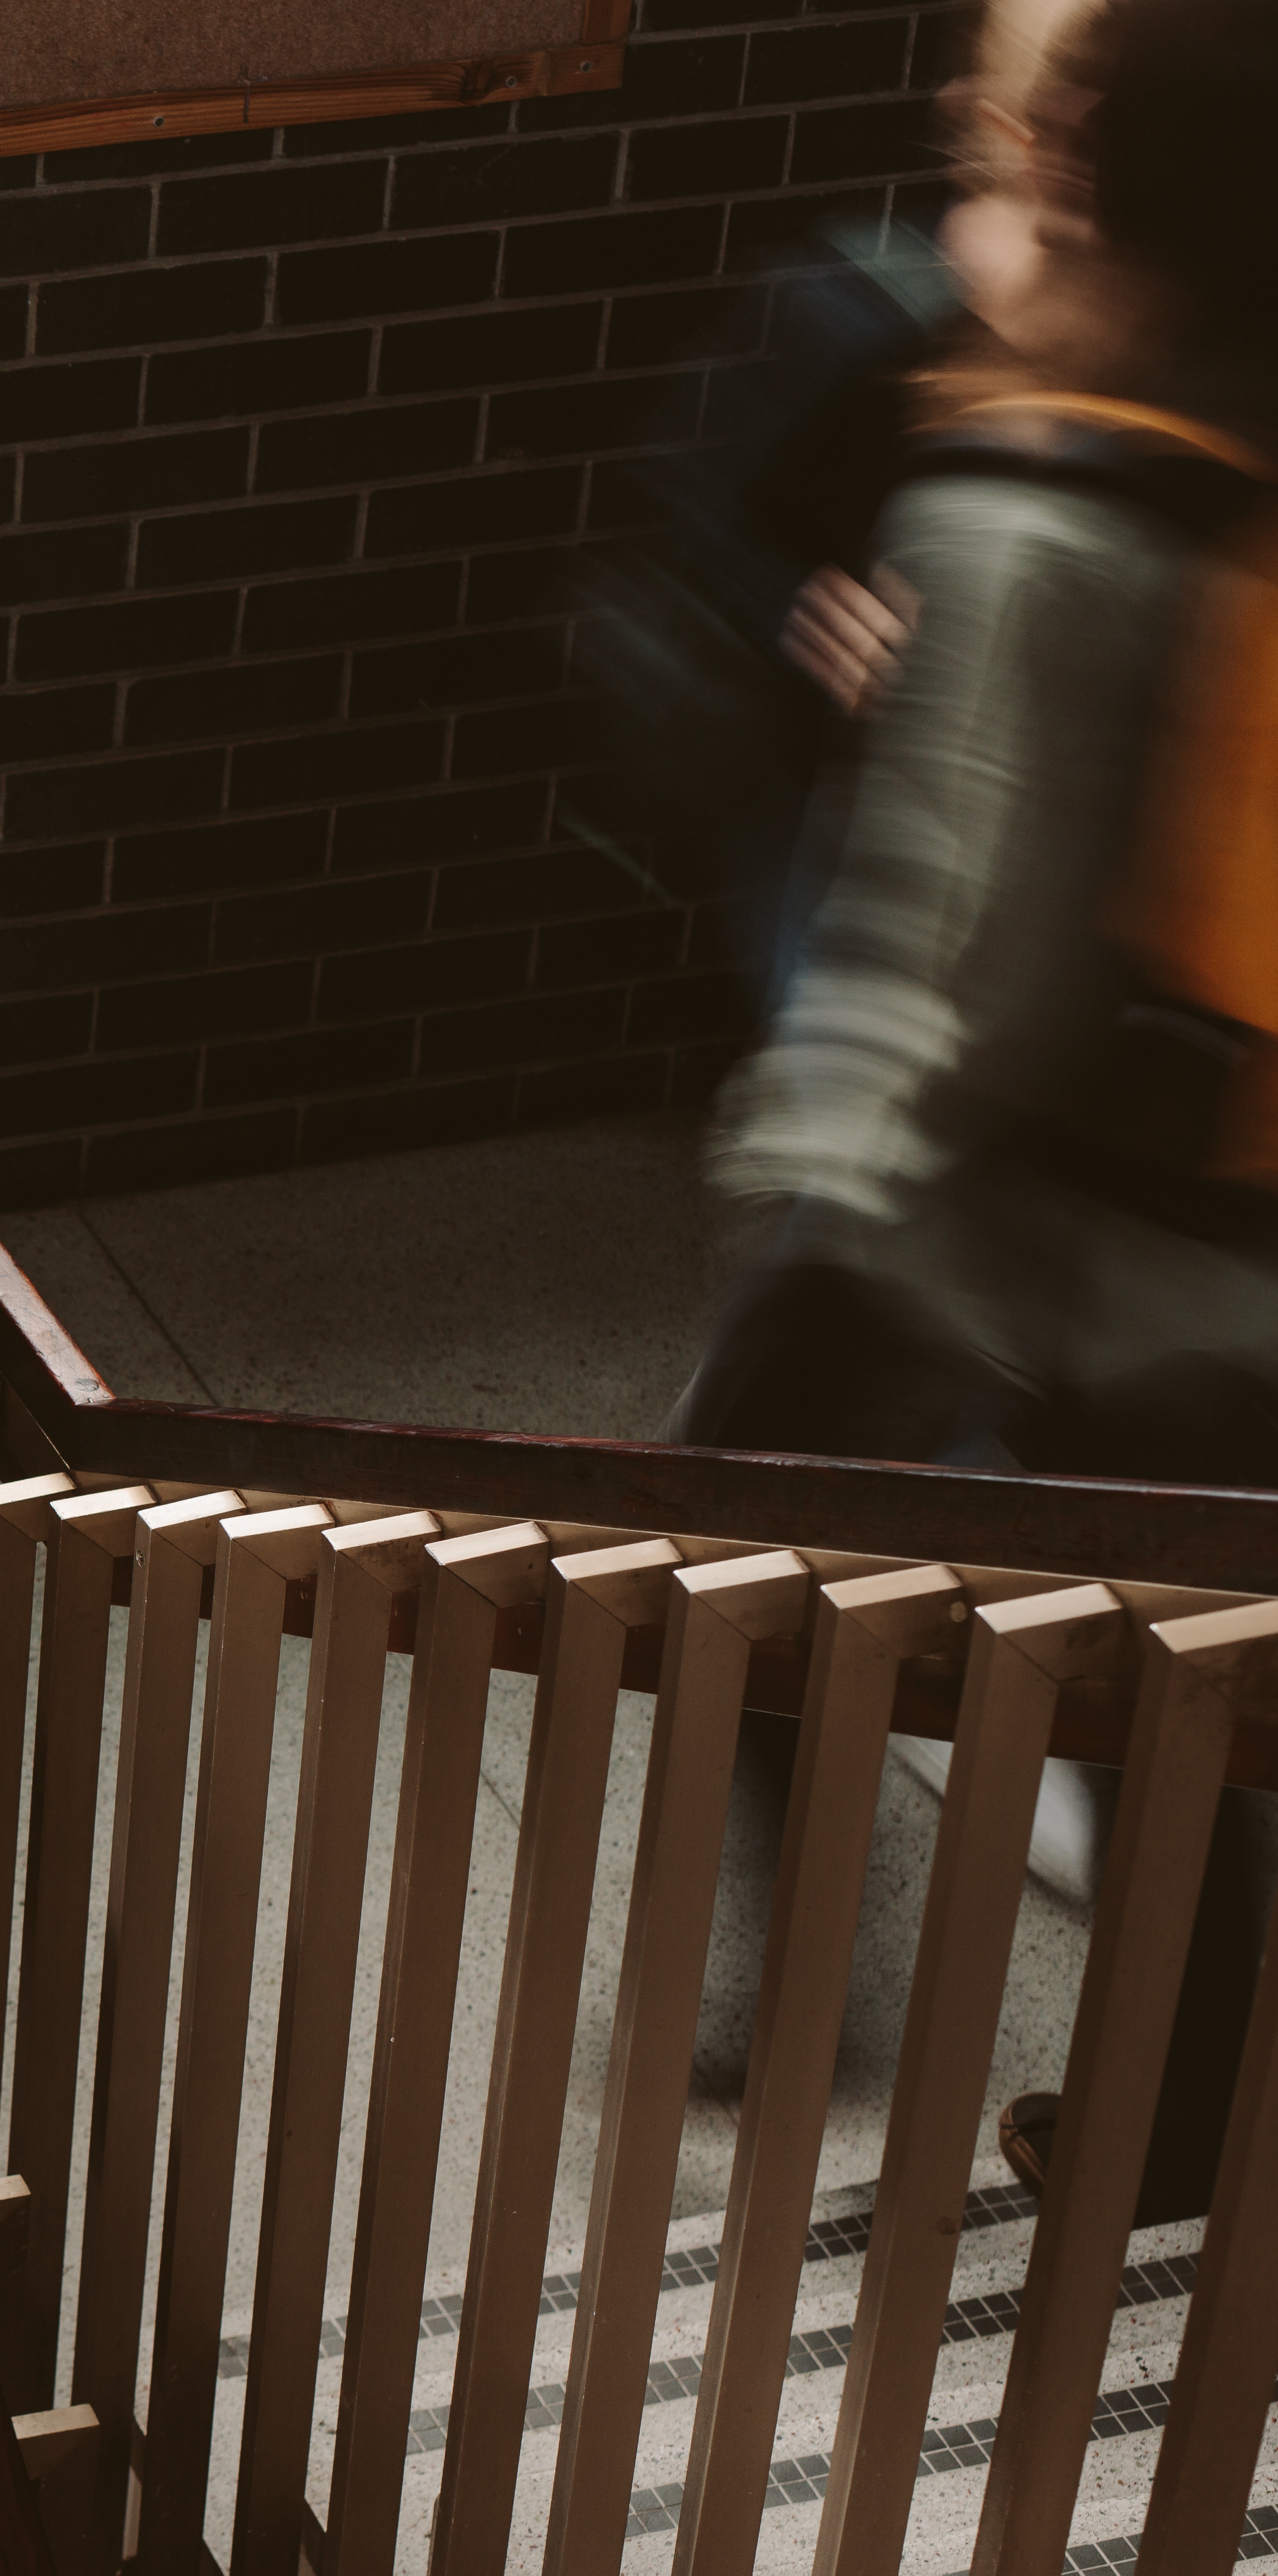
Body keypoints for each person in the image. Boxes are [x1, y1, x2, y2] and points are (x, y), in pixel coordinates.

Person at [674, 0, 1278, 2220]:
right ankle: (1172, 2131)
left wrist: (816, 1168)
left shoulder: (1045, 496)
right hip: (1233, 1240)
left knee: (721, 1559)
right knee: (1190, 1705)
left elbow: (966, 962)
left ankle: (803, 1964)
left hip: (1042, 1245)